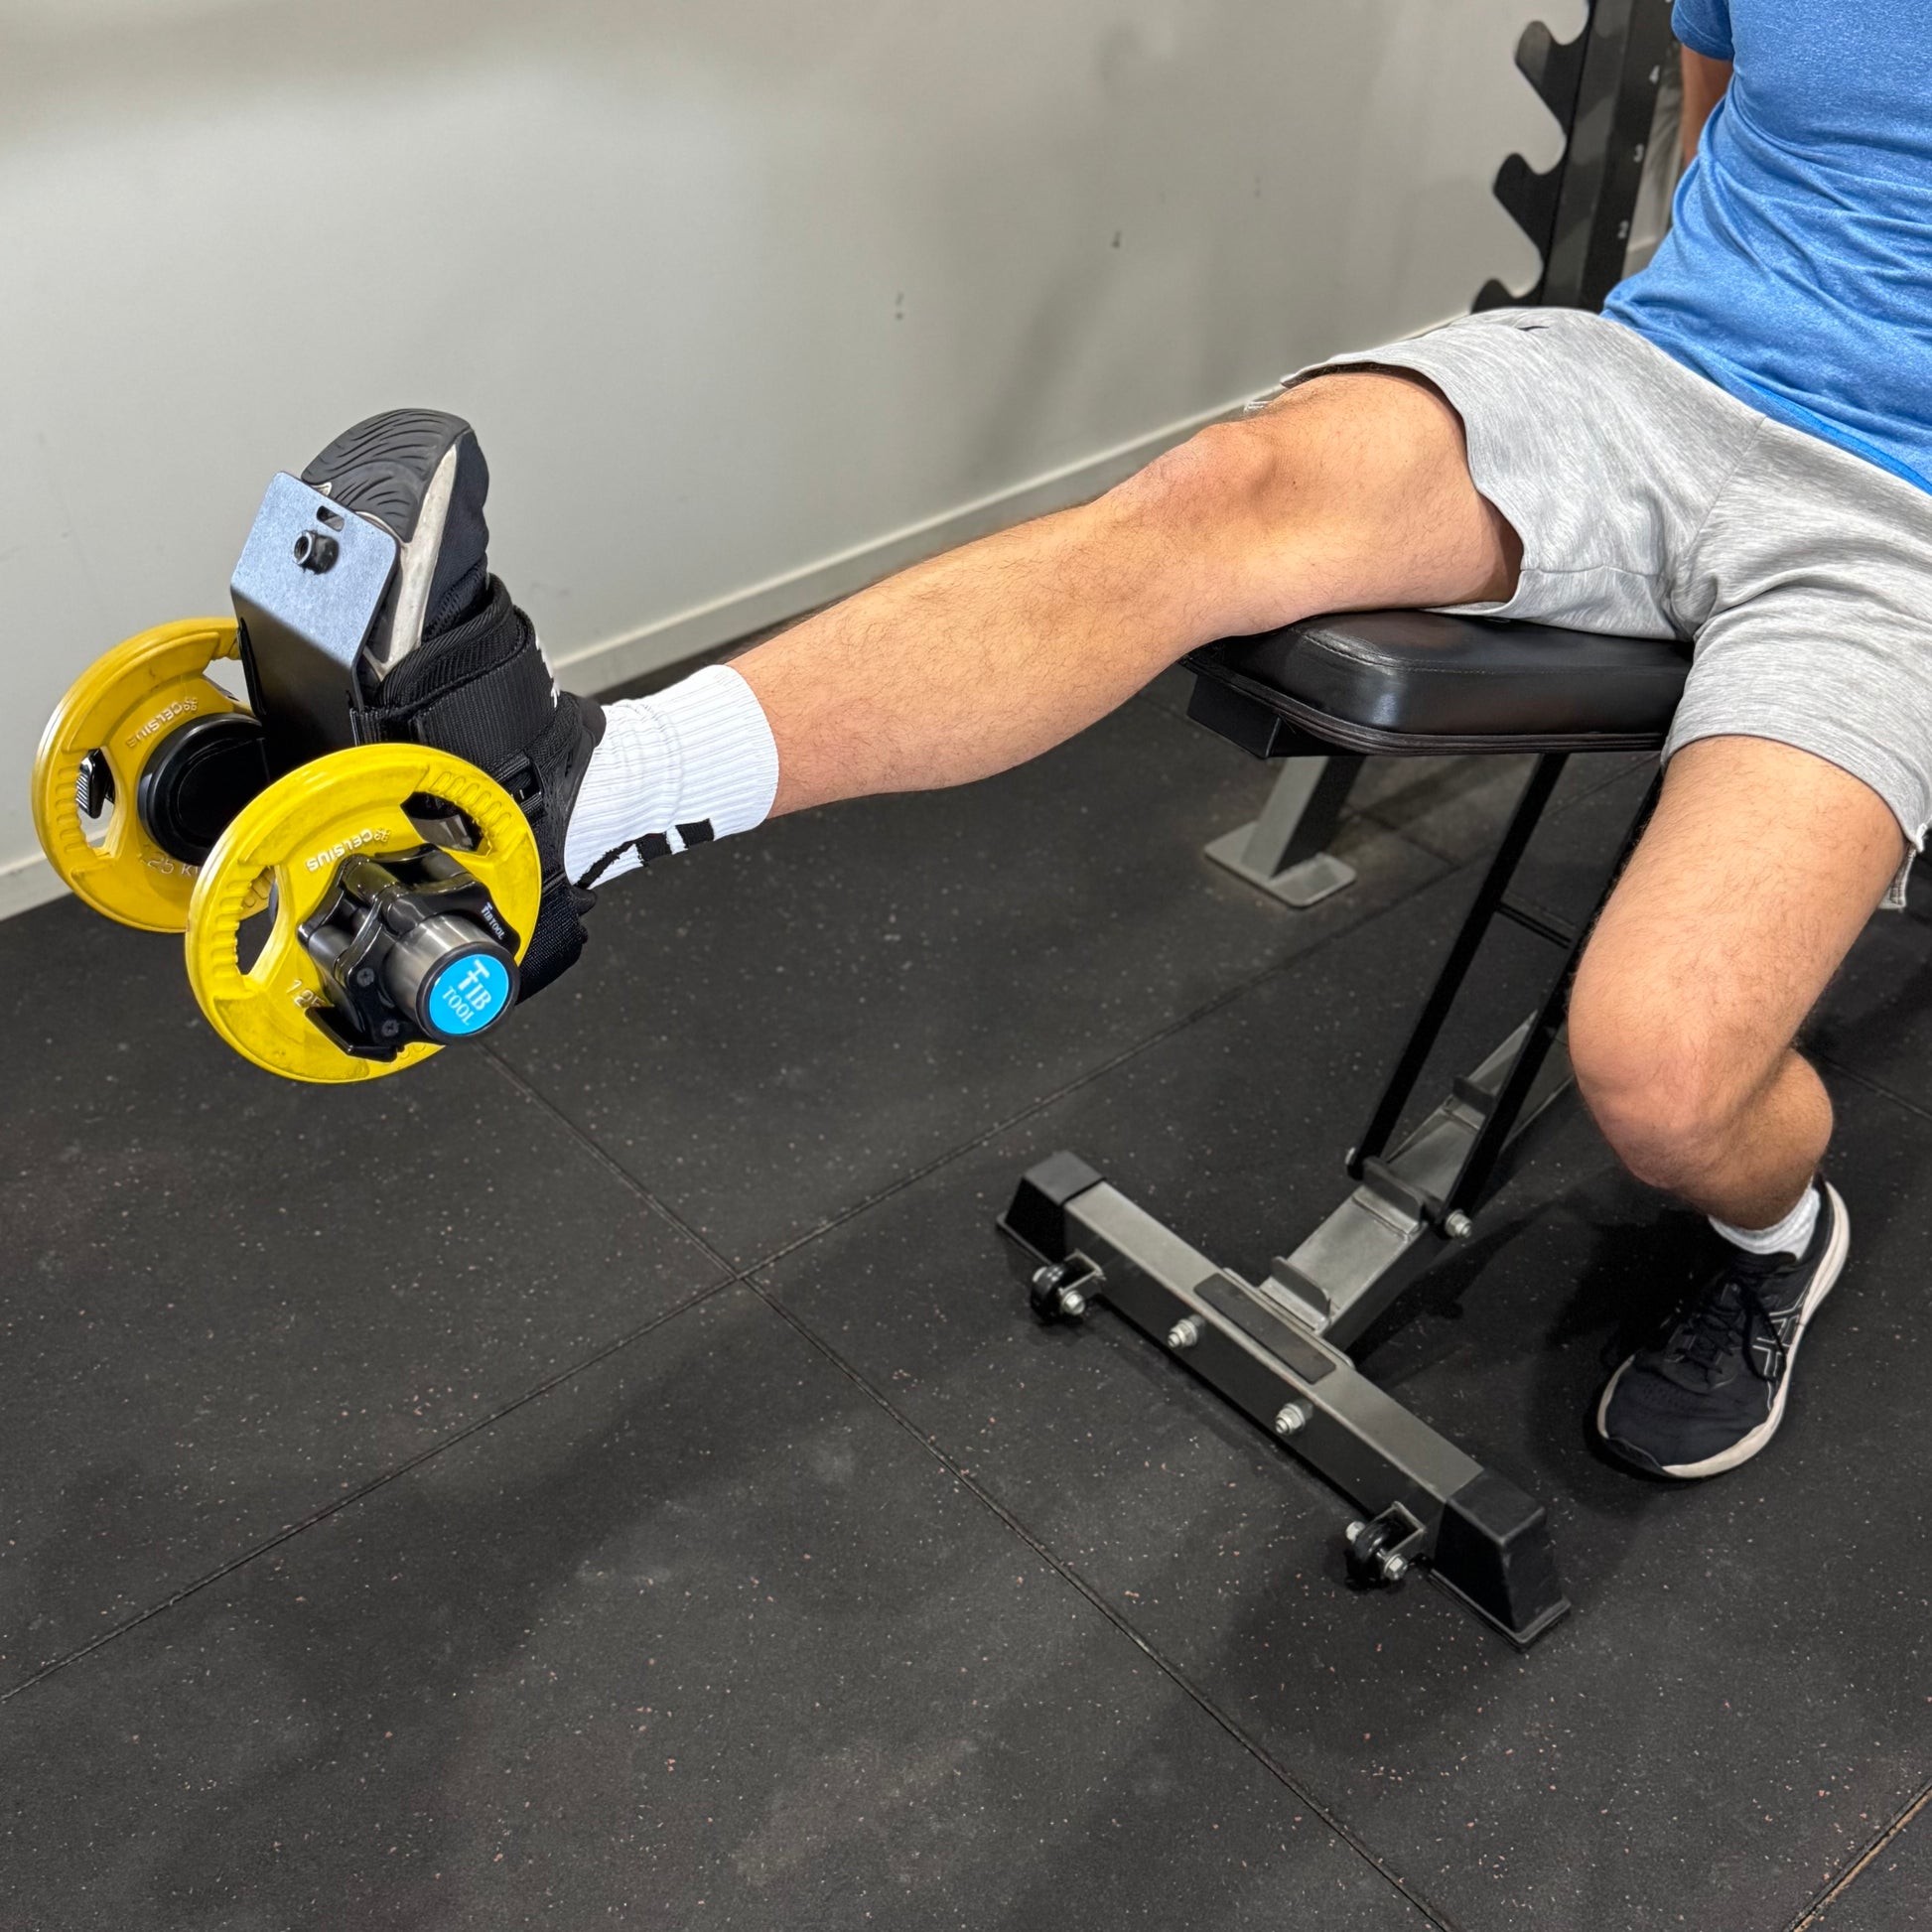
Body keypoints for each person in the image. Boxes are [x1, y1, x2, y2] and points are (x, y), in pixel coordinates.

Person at [383, 0, 1931, 1481]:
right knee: (1214, 498)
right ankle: (571, 796)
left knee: (1663, 1074)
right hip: (1658, 383)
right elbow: (1714, 125)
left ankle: (1772, 1235)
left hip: (1897, 529)